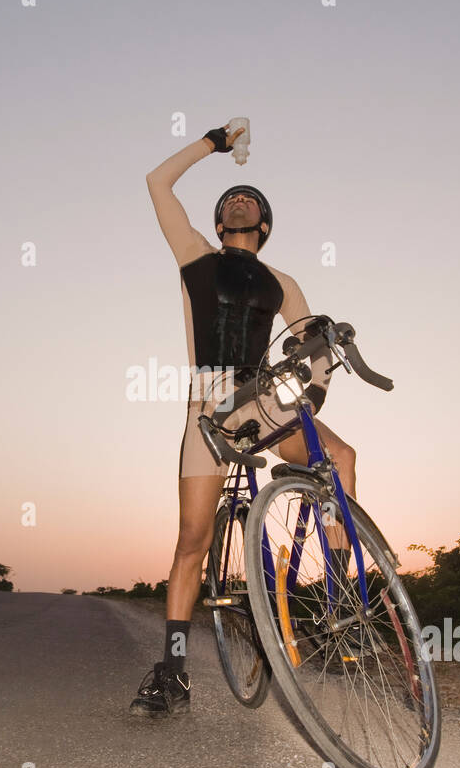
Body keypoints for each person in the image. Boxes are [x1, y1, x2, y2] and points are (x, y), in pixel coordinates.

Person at [131, 122, 359, 717]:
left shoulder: (283, 282)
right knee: (192, 541)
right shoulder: (196, 258)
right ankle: (172, 671)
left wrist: (317, 389)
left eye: (251, 201)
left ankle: (340, 606)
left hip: (261, 397)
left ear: (263, 224)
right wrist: (212, 144)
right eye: (232, 197)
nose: (240, 199)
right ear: (218, 221)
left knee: (341, 457)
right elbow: (157, 182)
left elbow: (312, 346)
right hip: (210, 402)